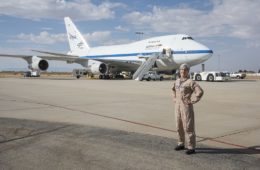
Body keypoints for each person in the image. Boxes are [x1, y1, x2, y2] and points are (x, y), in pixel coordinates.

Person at [172, 64, 204, 155]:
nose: (183, 71)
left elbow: (200, 91)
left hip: (186, 107)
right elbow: (173, 89)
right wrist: (174, 98)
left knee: (188, 127)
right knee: (178, 126)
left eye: (185, 70)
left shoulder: (190, 82)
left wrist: (194, 100)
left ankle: (191, 147)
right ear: (180, 71)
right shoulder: (177, 81)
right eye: (181, 70)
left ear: (188, 71)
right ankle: (181, 143)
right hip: (177, 106)